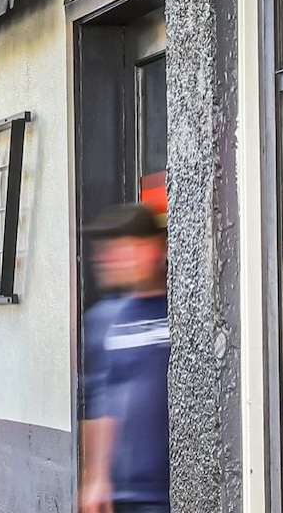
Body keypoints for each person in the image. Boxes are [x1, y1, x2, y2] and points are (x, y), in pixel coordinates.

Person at [80, 203, 170, 513]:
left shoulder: (181, 313)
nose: (115, 257)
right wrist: (96, 477)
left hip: (174, 488)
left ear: (156, 248)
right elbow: (100, 401)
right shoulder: (103, 320)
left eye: (127, 247)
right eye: (111, 248)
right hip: (126, 494)